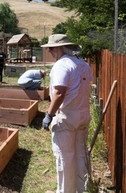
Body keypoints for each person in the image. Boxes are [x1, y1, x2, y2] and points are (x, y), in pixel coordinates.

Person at [41, 34, 93, 193]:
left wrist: (49, 115)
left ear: (58, 48)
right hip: (83, 115)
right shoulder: (83, 64)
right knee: (80, 156)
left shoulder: (61, 65)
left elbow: (59, 92)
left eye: (51, 48)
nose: (49, 51)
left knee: (65, 159)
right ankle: (81, 190)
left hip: (66, 117)